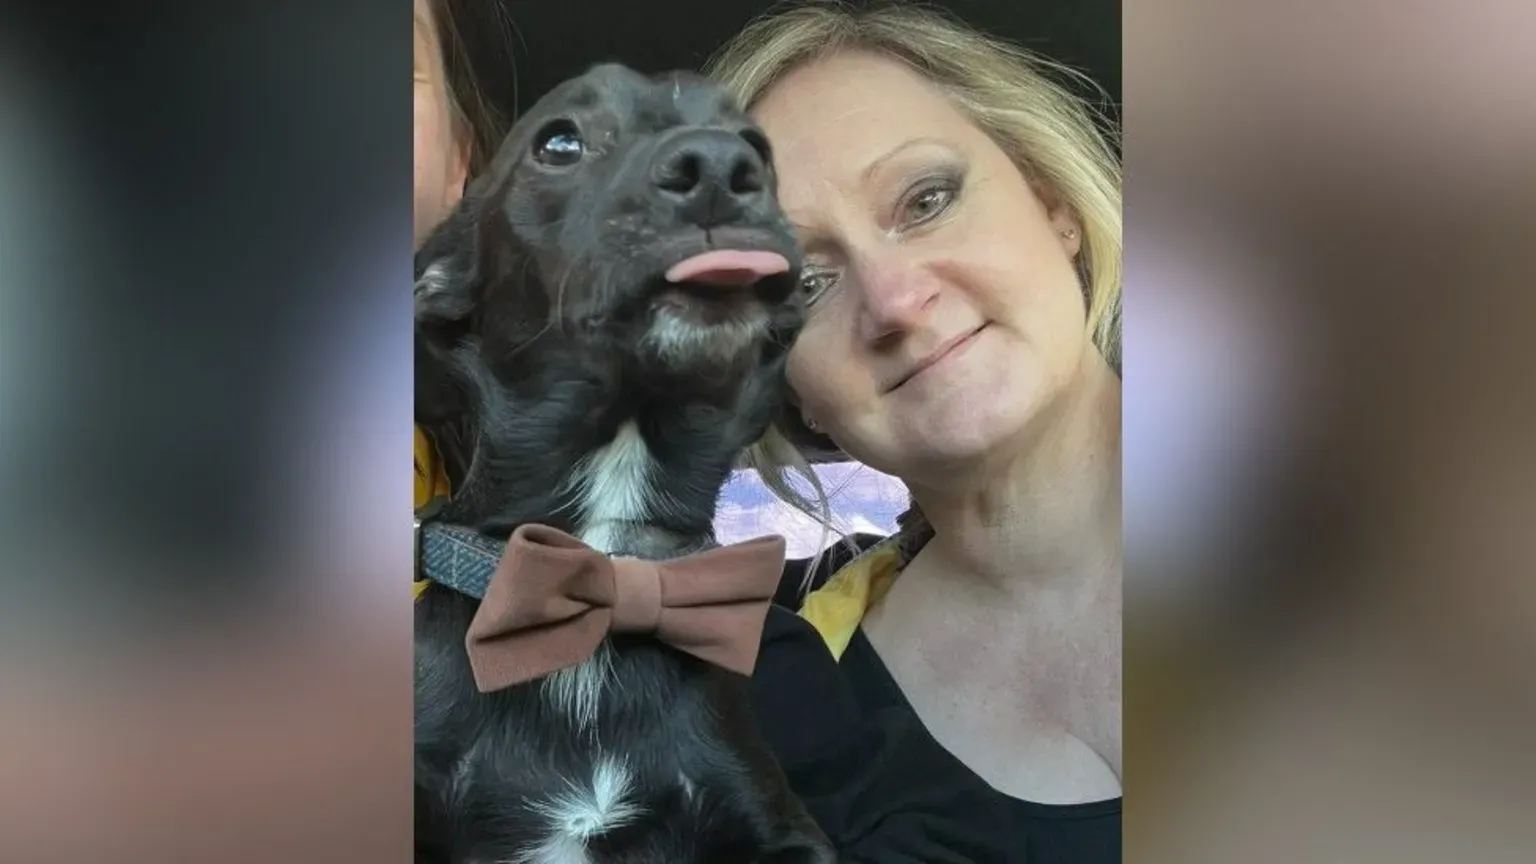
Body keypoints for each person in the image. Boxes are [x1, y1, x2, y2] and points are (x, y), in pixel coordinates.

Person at [706, 3, 1123, 860]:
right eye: (806, 286)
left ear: (1054, 206)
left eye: (926, 200)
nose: (895, 301)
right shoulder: (793, 729)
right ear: (788, 388)